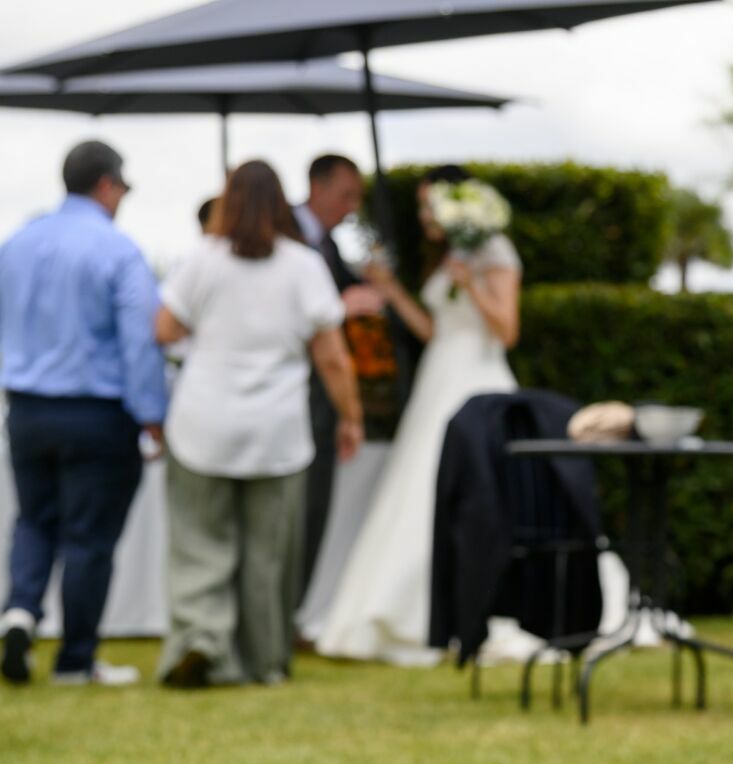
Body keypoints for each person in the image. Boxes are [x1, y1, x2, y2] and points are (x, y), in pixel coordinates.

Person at [154, 159, 364, 689]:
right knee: (268, 553)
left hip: (203, 420)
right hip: (276, 429)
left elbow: (165, 327)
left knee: (200, 542)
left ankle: (201, 640)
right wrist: (350, 417)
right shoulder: (303, 265)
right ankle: (265, 660)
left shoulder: (204, 258)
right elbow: (333, 358)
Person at [315, 166, 522, 665]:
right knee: (417, 489)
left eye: (430, 205)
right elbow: (434, 330)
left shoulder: (493, 256)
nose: (424, 214)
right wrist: (390, 291)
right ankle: (405, 610)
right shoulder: (452, 257)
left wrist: (471, 285)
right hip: (439, 377)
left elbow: (507, 330)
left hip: (478, 382)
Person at [0, 140, 167, 687]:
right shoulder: (117, 251)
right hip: (96, 413)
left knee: (34, 519)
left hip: (26, 408)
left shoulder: (17, 243)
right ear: (106, 184)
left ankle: (20, 611)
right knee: (88, 538)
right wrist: (152, 414)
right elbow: (140, 342)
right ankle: (75, 659)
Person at [293, 154, 385, 602]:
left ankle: (288, 614)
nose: (351, 207)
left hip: (320, 402)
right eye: (346, 195)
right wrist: (339, 307)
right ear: (317, 186)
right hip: (293, 397)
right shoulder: (284, 237)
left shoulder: (330, 248)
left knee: (313, 510)